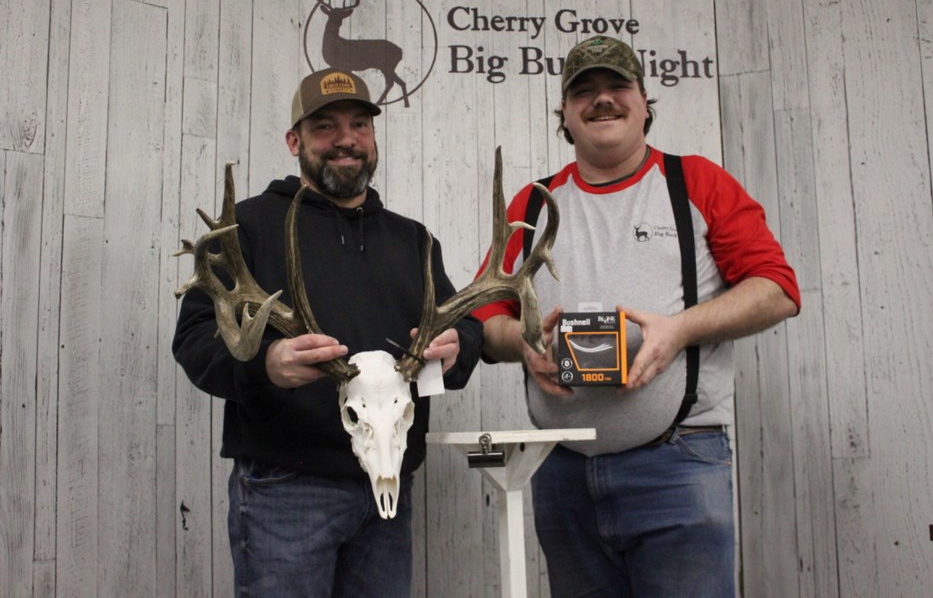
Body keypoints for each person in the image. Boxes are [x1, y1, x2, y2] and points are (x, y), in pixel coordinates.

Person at [474, 36, 800, 597]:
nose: (603, 100)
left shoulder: (696, 182)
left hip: (679, 465)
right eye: (584, 91)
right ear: (564, 115)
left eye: (617, 86)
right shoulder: (531, 204)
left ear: (645, 102)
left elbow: (777, 289)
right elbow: (485, 318)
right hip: (563, 471)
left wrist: (680, 330)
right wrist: (522, 345)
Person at [172, 68, 483, 598]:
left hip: (388, 488)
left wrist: (458, 348)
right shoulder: (246, 230)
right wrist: (264, 363)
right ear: (295, 141)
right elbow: (196, 340)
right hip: (285, 491)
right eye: (325, 127)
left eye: (360, 124)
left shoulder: (413, 239)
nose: (346, 139)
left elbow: (465, 327)